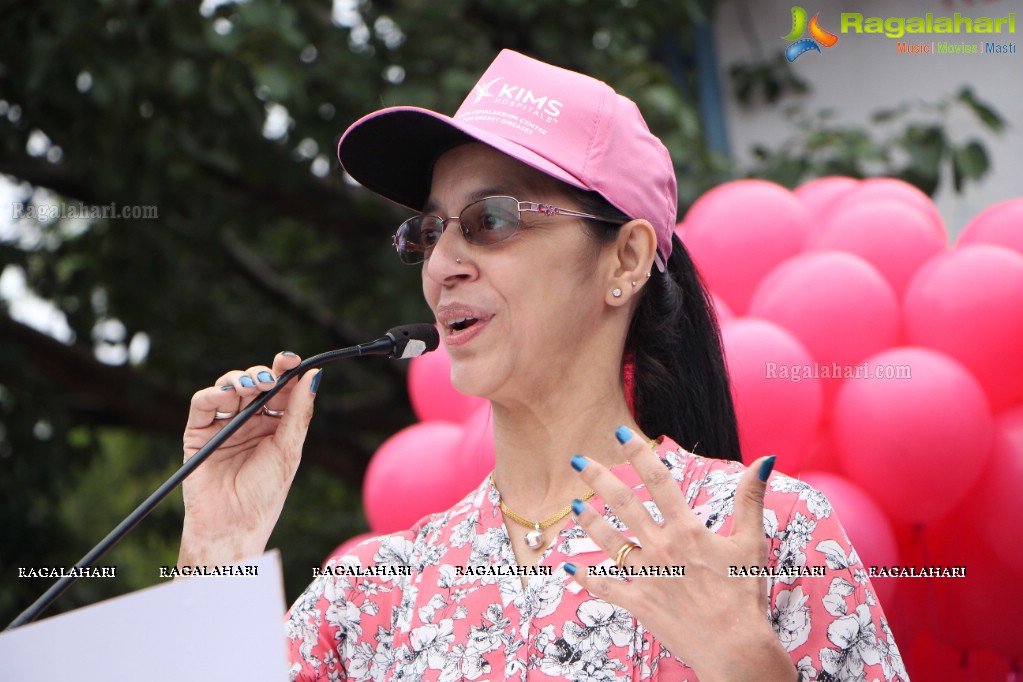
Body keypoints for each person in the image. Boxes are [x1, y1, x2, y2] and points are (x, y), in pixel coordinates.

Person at [178, 50, 908, 681]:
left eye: (489, 220)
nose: (440, 264)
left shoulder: (761, 533)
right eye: (428, 231)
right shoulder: (373, 592)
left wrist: (743, 664)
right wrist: (216, 547)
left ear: (623, 258)